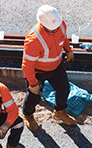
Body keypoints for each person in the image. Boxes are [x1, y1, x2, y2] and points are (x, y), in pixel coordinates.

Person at [21, 4, 77, 132]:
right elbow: (27, 65)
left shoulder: (60, 24)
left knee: (64, 88)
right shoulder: (34, 39)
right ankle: (27, 114)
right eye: (51, 29)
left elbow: (63, 39)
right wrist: (33, 83)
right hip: (38, 72)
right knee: (34, 96)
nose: (55, 30)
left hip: (56, 66)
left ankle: (59, 112)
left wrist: (68, 51)